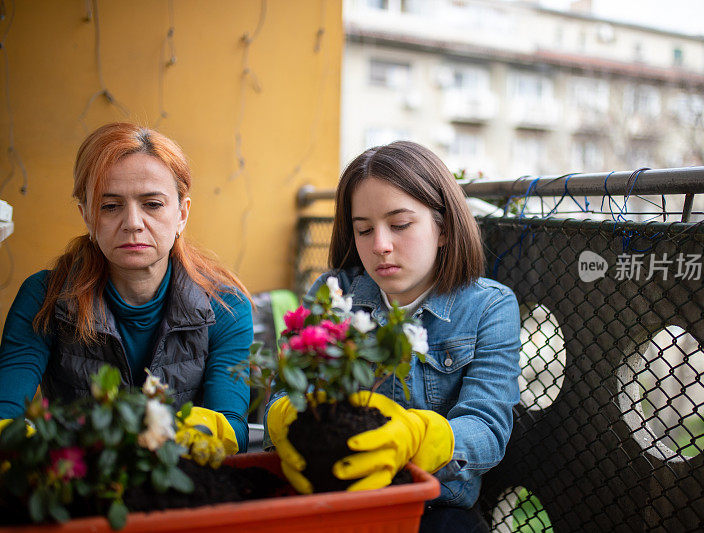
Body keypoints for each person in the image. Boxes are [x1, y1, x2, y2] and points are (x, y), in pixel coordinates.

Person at [266, 141, 521, 532]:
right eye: (363, 229)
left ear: (444, 228)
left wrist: (420, 438)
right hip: (338, 497)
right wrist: (283, 418)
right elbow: (285, 393)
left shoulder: (489, 307)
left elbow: (487, 427)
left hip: (436, 506)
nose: (380, 246)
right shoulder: (333, 293)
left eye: (400, 225)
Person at [0, 122, 253, 453]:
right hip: (80, 488)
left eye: (152, 204)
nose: (133, 223)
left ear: (182, 213)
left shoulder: (225, 305)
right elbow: (6, 418)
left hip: (184, 489)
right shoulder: (44, 297)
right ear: (87, 216)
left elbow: (231, 428)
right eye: (110, 206)